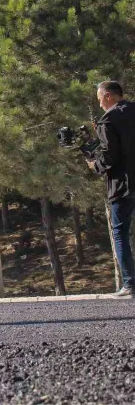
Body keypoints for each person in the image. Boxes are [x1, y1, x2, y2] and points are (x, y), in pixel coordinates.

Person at [88, 81, 135, 297]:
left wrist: (94, 165)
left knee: (120, 233)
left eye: (99, 99)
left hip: (123, 185)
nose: (99, 105)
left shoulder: (108, 119)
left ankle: (130, 283)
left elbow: (109, 156)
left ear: (108, 96)